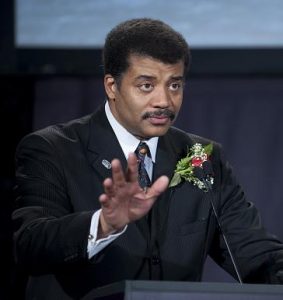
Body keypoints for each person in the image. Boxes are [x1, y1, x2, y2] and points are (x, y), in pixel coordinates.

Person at [13, 18, 283, 299]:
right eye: (146, 86)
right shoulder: (52, 149)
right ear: (111, 86)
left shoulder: (201, 158)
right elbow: (31, 245)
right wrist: (104, 224)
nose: (164, 100)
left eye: (174, 85)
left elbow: (256, 253)